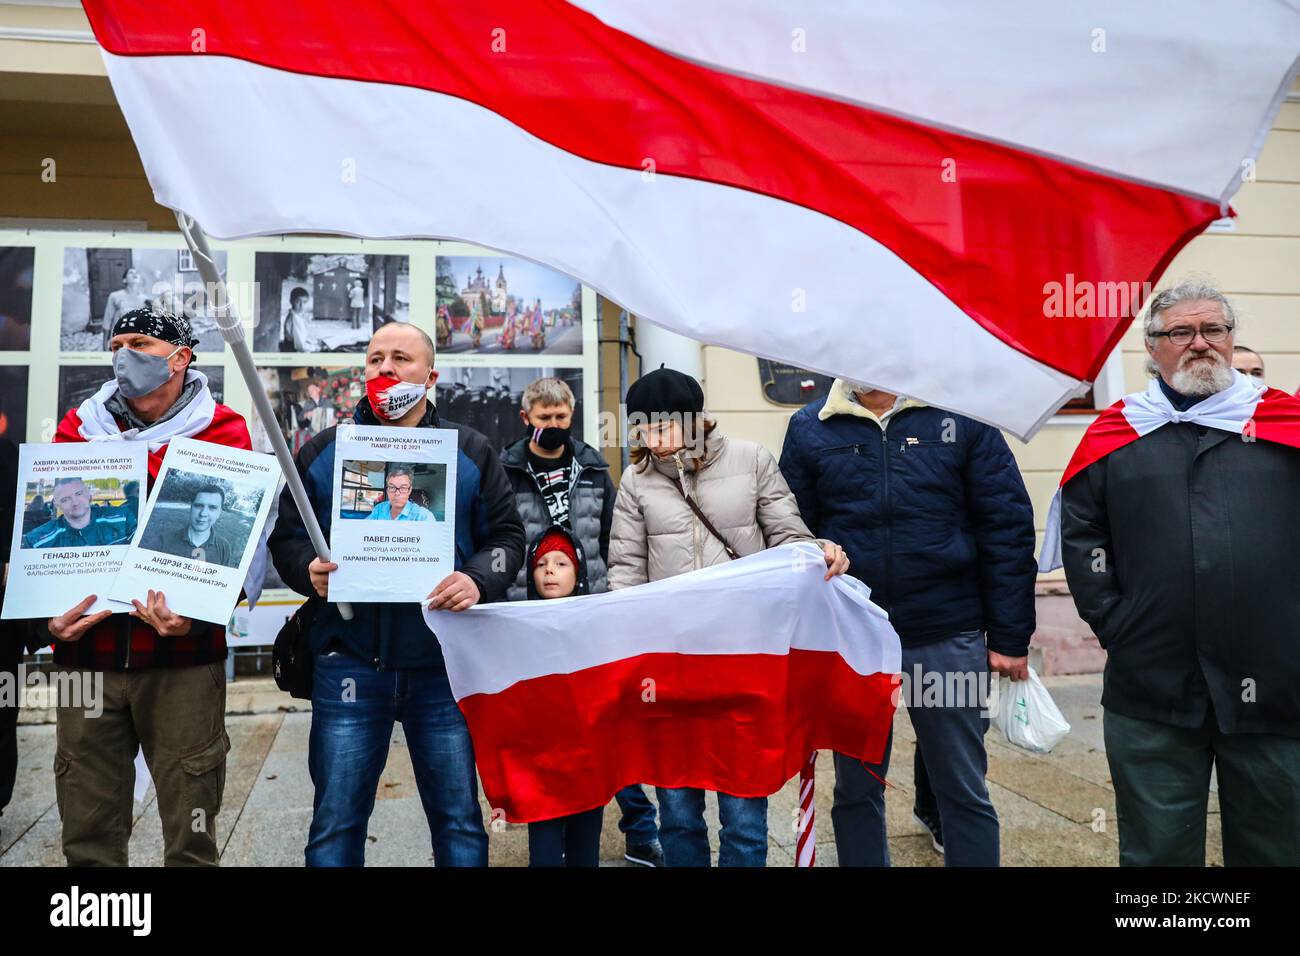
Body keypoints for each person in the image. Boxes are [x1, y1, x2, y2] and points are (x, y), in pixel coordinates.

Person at [1058, 280, 1300, 866]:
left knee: (1278, 843)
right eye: (1181, 332)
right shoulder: (1115, 436)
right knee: (1157, 851)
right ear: (1153, 347)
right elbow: (1085, 539)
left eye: (1213, 329)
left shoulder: (1286, 426)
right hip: (1153, 684)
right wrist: (1119, 624)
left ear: (1231, 337)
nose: (1200, 343)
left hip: (1277, 680)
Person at [268, 322, 524, 867]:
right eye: (375, 358)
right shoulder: (324, 451)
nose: (385, 369)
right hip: (350, 663)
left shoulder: (470, 451)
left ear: (430, 376)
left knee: (459, 824)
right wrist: (305, 569)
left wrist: (478, 578)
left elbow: (507, 540)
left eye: (400, 359)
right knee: (335, 824)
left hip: (443, 665)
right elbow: (286, 538)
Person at [780, 377, 1036, 867]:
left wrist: (1009, 634)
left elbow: (1005, 527)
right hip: (853, 638)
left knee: (961, 787)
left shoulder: (961, 415)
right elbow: (793, 527)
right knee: (857, 788)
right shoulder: (810, 427)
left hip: (946, 629)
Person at [608, 366, 849, 867]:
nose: (652, 439)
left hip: (745, 657)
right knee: (677, 812)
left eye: (662, 426)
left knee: (742, 816)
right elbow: (626, 572)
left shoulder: (751, 459)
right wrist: (626, 652)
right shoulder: (636, 480)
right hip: (672, 664)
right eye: (642, 429)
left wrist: (820, 550)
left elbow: (789, 538)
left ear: (695, 420)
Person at [44, 306, 252, 866]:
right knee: (86, 825)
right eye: (116, 344)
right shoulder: (76, 427)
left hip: (183, 657)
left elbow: (238, 546)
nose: (123, 355)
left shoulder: (225, 431)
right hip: (86, 653)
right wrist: (46, 619)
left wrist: (201, 612)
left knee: (192, 827)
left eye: (139, 343)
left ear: (180, 358)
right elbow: (47, 538)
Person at [500, 375, 663, 866]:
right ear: (526, 418)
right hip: (528, 617)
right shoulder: (504, 470)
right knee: (548, 732)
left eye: (561, 418)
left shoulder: (592, 468)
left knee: (606, 726)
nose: (553, 426)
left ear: (572, 417)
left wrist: (616, 599)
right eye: (544, 418)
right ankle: (548, 824)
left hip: (590, 615)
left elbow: (617, 535)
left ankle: (640, 828)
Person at [522, 525, 606, 866]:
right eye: (541, 564)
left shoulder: (597, 626)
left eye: (561, 563)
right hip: (540, 768)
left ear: (579, 573)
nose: (550, 571)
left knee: (585, 850)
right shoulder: (516, 626)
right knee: (543, 853)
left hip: (589, 766)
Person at [21, 476, 137, 549]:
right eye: (65, 499)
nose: (75, 502)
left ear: (89, 495)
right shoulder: (37, 541)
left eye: (78, 494)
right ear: (56, 505)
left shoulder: (123, 518)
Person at [140, 484, 240, 568]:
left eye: (212, 508)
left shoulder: (224, 547)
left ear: (219, 513)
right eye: (198, 505)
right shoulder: (163, 542)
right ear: (191, 507)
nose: (203, 513)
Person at [87, 266, 147, 346]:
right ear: (124, 280)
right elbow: (107, 321)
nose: (134, 274)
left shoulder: (145, 299)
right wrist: (105, 344)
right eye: (131, 272)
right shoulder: (115, 296)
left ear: (139, 279)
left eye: (136, 273)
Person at [365, 464, 434, 521]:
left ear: (409, 490)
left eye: (403, 488)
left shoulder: (423, 516)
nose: (397, 493)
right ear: (387, 490)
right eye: (392, 487)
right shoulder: (379, 509)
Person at [281, 286, 311, 352]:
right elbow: (301, 346)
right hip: (294, 352)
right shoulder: (295, 318)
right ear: (291, 301)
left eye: (304, 302)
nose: (301, 305)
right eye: (298, 302)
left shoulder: (296, 315)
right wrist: (316, 348)